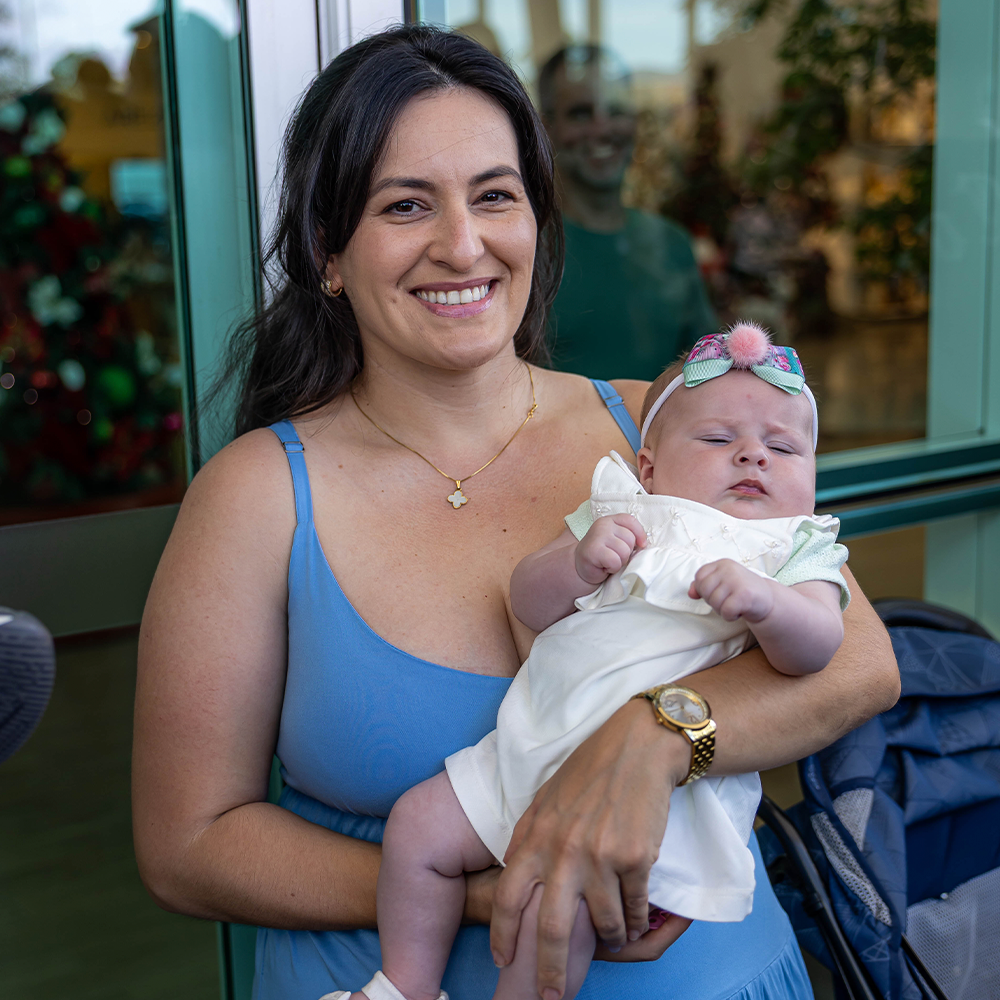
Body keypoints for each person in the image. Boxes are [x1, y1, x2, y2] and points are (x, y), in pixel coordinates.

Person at [131, 25, 899, 1000]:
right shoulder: (259, 494)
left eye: (495, 195)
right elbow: (187, 844)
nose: (463, 244)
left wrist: (656, 737)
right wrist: (490, 889)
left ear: (536, 220)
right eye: (406, 205)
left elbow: (862, 660)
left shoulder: (658, 433)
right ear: (328, 251)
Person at [340, 325, 848, 1000]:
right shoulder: (622, 510)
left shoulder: (793, 547)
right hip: (531, 743)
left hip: (649, 801)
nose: (754, 457)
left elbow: (820, 647)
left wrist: (768, 606)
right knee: (418, 826)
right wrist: (577, 562)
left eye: (783, 448)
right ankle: (404, 984)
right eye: (720, 440)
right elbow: (528, 600)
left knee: (557, 907)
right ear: (650, 468)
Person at [538, 45, 717, 381]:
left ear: (634, 121)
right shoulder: (525, 247)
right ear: (546, 127)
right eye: (580, 113)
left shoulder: (672, 244)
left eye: (616, 110)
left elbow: (708, 377)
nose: (602, 129)